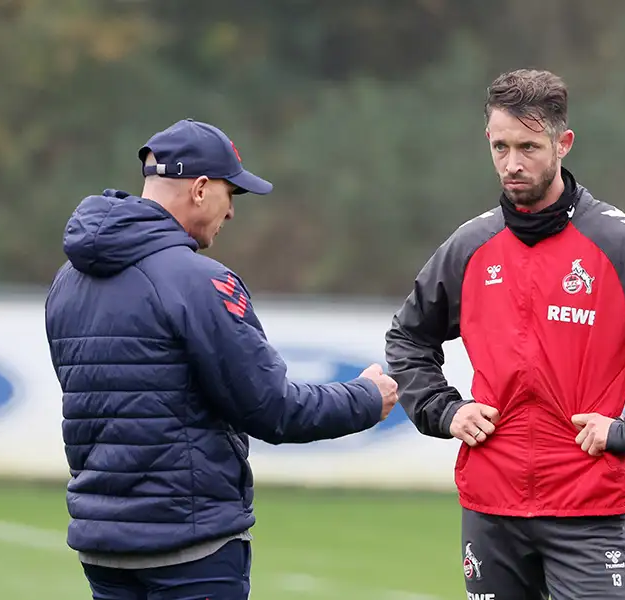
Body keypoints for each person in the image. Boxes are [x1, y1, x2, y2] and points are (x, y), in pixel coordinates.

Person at [384, 69, 625, 600]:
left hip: (587, 506)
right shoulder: (470, 246)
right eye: (500, 146)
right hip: (490, 506)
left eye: (528, 146)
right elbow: (408, 339)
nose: (512, 163)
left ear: (563, 142)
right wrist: (444, 408)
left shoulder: (622, 245)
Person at [44, 118, 399, 599]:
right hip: (189, 546)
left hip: (104, 548)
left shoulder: (68, 280)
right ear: (201, 188)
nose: (231, 212)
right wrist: (363, 399)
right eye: (232, 194)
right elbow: (272, 409)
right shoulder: (198, 281)